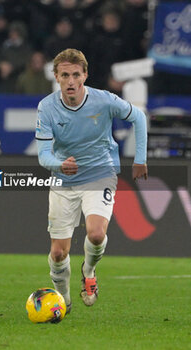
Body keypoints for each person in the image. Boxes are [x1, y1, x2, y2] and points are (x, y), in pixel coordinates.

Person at [35, 48, 148, 314]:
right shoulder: (47, 107)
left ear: (85, 75)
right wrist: (58, 164)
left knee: (96, 234)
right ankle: (63, 300)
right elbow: (43, 155)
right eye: (65, 75)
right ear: (57, 77)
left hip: (100, 173)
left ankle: (89, 271)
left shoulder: (104, 101)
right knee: (59, 254)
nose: (71, 81)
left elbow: (139, 117)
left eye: (76, 74)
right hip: (64, 179)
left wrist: (140, 159)